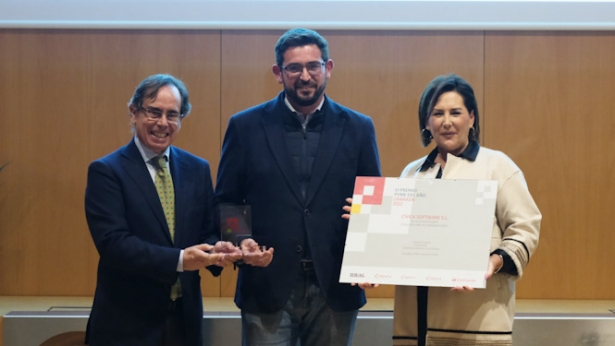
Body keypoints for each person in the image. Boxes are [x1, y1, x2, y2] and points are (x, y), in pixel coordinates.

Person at [214, 28, 382, 346]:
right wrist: (241, 240)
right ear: (279, 73)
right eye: (294, 68)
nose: (305, 76)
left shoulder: (359, 127)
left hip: (335, 286)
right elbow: (226, 201)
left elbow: (373, 204)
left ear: (327, 68)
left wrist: (371, 260)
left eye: (313, 66)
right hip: (266, 285)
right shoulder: (245, 126)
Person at [84, 74, 240, 346]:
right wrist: (180, 259)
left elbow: (207, 231)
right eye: (154, 112)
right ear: (134, 113)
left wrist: (220, 249)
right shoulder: (107, 171)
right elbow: (114, 244)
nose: (163, 123)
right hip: (126, 324)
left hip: (184, 322)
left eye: (173, 114)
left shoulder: (197, 169)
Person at [387, 74, 541, 345]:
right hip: (416, 325)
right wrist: (371, 231)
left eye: (455, 112)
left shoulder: (497, 166)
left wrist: (493, 262)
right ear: (426, 122)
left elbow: (525, 229)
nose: (447, 121)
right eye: (437, 113)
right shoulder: (412, 173)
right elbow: (400, 239)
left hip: (476, 323)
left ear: (471, 118)